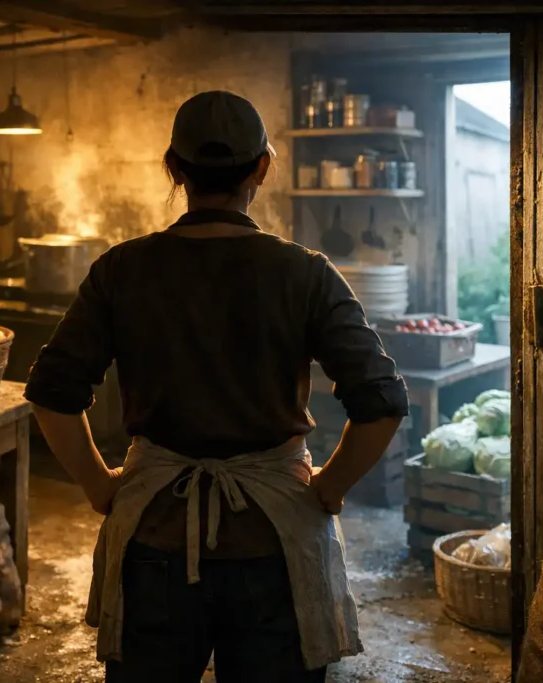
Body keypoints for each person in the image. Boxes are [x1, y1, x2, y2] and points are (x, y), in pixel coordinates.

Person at [26, 90, 409, 683]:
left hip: (154, 540)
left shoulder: (122, 269)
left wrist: (99, 486)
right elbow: (382, 401)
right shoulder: (305, 272)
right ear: (262, 168)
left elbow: (52, 392)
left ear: (174, 170)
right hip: (275, 545)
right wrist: (329, 488)